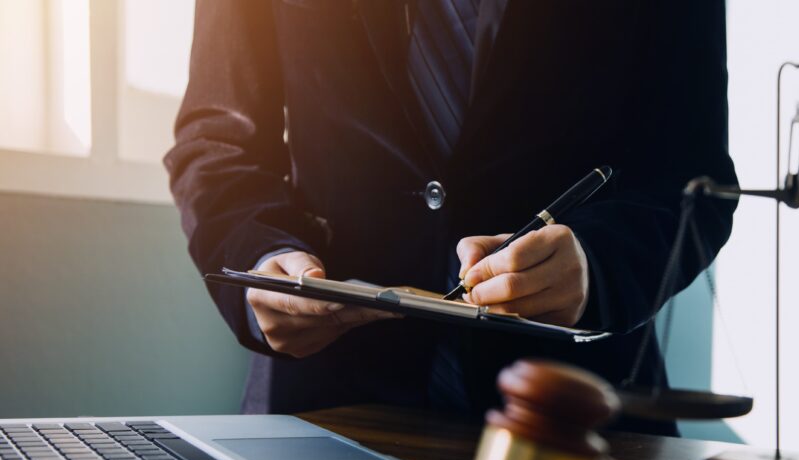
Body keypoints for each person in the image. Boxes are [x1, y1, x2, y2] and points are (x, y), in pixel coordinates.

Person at [165, 0, 737, 434]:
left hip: (577, 428)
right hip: (324, 410)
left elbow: (694, 180)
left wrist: (596, 263)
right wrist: (260, 258)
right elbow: (216, 141)